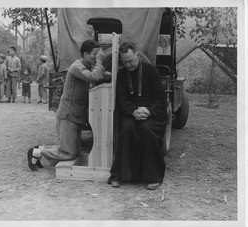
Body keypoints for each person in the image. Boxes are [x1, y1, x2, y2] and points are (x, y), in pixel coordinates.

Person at [27, 39, 111, 171]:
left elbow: (95, 77)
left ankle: (38, 151)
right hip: (67, 115)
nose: (96, 57)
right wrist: (100, 62)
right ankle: (38, 152)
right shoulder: (76, 66)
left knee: (75, 152)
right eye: (94, 54)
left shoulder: (86, 67)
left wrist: (104, 76)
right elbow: (92, 77)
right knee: (69, 154)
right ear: (85, 54)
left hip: (75, 115)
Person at [107, 41, 168, 190]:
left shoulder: (151, 71)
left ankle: (152, 177)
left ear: (137, 55)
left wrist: (148, 111)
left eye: (131, 60)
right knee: (127, 129)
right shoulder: (121, 74)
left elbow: (160, 98)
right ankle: (120, 176)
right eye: (125, 62)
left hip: (152, 114)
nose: (128, 65)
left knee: (147, 131)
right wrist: (134, 111)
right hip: (131, 112)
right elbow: (121, 98)